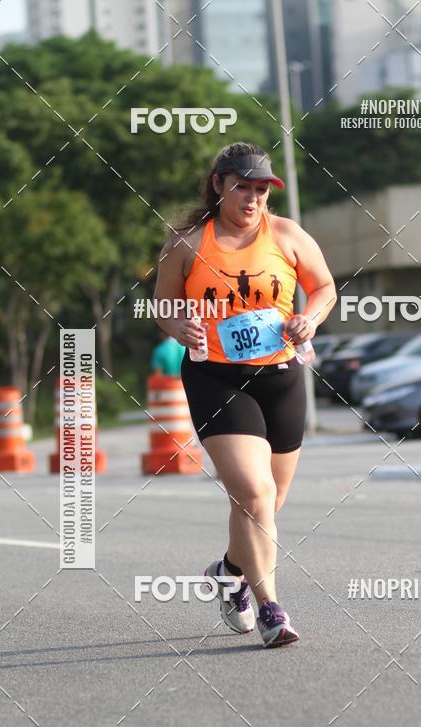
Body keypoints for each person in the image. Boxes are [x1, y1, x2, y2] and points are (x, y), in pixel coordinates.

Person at [154, 142, 336, 648]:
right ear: (219, 185)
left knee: (268, 504)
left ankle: (229, 570)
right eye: (243, 188)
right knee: (253, 494)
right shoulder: (188, 244)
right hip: (216, 378)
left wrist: (309, 318)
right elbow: (163, 306)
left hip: (279, 376)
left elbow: (324, 287)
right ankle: (270, 608)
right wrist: (179, 327)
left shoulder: (287, 235)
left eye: (261, 190)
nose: (253, 199)